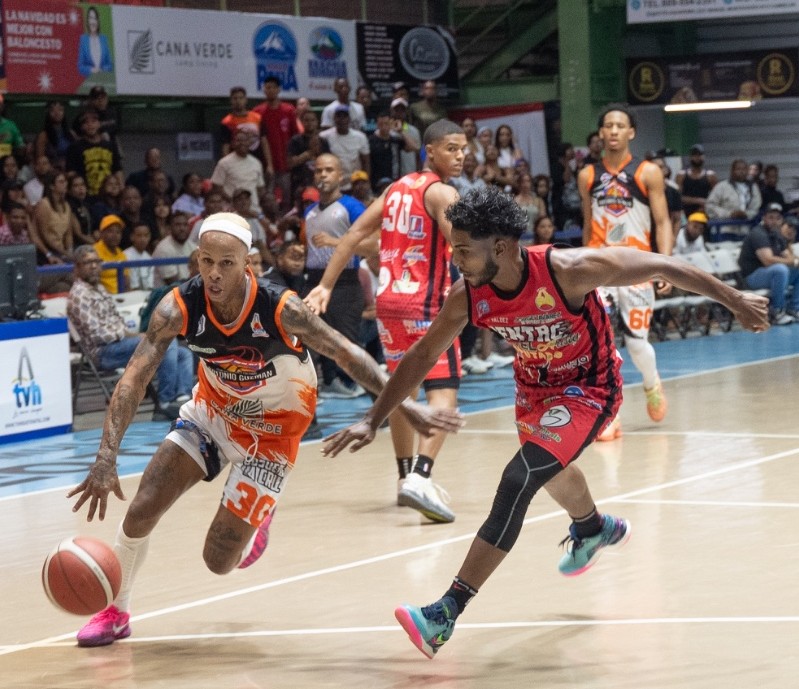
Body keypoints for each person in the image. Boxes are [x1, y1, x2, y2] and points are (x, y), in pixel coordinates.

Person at [320, 186, 770, 660]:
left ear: (501, 247)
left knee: (520, 476)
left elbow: (661, 264)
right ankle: (593, 526)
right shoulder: (469, 295)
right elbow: (421, 354)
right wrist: (374, 418)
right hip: (533, 392)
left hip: (589, 388)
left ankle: (445, 612)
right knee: (549, 469)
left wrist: (734, 298)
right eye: (453, 248)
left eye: (464, 250)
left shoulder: (568, 271)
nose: (456, 259)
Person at [67, 212, 461, 647]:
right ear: (196, 259)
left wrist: (404, 406)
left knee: (218, 561)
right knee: (143, 506)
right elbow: (134, 379)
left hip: (273, 437)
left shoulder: (281, 308)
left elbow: (349, 355)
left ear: (248, 263)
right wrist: (106, 457)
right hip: (212, 414)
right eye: (206, 262)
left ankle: (258, 516)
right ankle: (116, 611)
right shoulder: (176, 307)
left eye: (227, 263)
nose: (214, 274)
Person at [304, 120, 466, 523]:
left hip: (389, 305)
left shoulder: (395, 190)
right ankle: (421, 478)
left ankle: (402, 478)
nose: (460, 155)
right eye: (451, 148)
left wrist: (325, 285)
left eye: (464, 148)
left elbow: (353, 235)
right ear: (429, 151)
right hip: (427, 306)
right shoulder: (443, 193)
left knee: (400, 392)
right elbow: (460, 246)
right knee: (443, 392)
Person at [579, 103, 673, 440]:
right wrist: (579, 269)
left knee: (636, 345)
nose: (614, 131)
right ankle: (609, 414)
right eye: (608, 126)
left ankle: (651, 382)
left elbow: (663, 222)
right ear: (601, 133)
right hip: (599, 268)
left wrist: (665, 264)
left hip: (637, 267)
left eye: (620, 126)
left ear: (631, 132)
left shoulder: (648, 172)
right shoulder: (588, 175)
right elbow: (588, 225)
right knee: (599, 344)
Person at [68, 243, 193, 417]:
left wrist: (138, 336)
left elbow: (117, 323)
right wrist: (133, 337)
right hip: (103, 353)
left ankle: (182, 398)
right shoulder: (79, 295)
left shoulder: (99, 289)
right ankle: (165, 402)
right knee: (165, 341)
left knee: (183, 353)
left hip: (120, 344)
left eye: (97, 261)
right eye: (88, 263)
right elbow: (98, 336)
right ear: (77, 267)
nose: (95, 266)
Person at [304, 154, 368, 398]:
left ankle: (378, 395)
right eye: (319, 170)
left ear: (340, 175)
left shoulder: (351, 207)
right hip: (313, 280)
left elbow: (371, 244)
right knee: (308, 338)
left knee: (348, 344)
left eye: (329, 170)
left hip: (345, 283)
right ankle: (327, 382)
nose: (323, 175)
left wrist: (335, 242)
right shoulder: (309, 211)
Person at [738, 202, 799, 325]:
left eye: (777, 218)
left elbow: (787, 254)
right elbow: (768, 260)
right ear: (764, 218)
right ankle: (777, 312)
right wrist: (791, 261)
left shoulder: (777, 235)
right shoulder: (758, 234)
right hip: (752, 277)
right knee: (781, 269)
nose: (774, 221)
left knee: (792, 269)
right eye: (771, 217)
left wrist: (793, 261)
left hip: (771, 274)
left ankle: (794, 308)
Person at [252, 76, 298, 209]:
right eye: (267, 87)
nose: (270, 90)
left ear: (278, 89)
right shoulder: (257, 112)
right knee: (266, 201)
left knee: (287, 200)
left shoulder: (289, 110)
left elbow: (295, 137)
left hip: (285, 166)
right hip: (266, 167)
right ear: (264, 90)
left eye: (273, 87)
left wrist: (292, 161)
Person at [65, 109, 123, 198]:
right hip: (87, 196)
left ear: (99, 124)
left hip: (109, 196)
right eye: (86, 123)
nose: (90, 125)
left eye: (93, 121)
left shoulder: (110, 145)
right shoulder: (74, 148)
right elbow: (71, 173)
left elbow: (117, 170)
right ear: (81, 127)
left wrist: (121, 189)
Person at [211, 129, 266, 216]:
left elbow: (260, 188)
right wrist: (234, 202)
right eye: (239, 140)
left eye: (245, 140)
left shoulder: (256, 163)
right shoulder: (224, 163)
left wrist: (250, 203)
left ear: (250, 143)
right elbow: (217, 187)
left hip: (253, 210)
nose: (242, 143)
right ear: (233, 143)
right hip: (231, 211)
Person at [706, 158, 761, 239]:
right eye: (738, 169)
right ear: (732, 171)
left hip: (746, 231)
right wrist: (729, 214)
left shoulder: (753, 187)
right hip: (724, 230)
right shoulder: (722, 186)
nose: (741, 172)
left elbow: (755, 208)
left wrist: (746, 214)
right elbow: (709, 206)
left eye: (744, 169)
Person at [319, 106, 370, 191]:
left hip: (355, 184)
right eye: (339, 116)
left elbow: (366, 162)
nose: (341, 119)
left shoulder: (360, 137)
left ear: (349, 119)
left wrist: (366, 182)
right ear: (334, 119)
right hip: (334, 185)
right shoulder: (324, 136)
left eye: (344, 116)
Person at [675, 144, 717, 218]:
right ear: (690, 157)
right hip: (685, 213)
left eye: (699, 155)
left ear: (704, 157)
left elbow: (716, 197)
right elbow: (677, 197)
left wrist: (706, 204)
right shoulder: (681, 175)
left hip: (704, 212)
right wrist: (698, 200)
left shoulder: (710, 175)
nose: (697, 158)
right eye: (695, 155)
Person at [34, 101, 76, 170]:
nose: (57, 113)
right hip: (52, 171)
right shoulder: (43, 136)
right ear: (48, 113)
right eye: (52, 110)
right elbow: (40, 159)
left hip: (70, 170)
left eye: (60, 109)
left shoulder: (71, 133)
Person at [93, 214, 129, 294]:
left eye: (118, 232)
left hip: (121, 298)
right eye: (110, 231)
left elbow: (126, 281)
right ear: (102, 233)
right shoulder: (94, 252)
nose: (115, 235)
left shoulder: (122, 254)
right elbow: (92, 283)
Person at [78, 6, 113, 76]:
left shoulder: (104, 39)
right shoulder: (83, 39)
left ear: (98, 21)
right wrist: (91, 70)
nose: (93, 22)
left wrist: (101, 70)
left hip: (103, 80)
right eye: (91, 18)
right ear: (87, 21)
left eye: (95, 19)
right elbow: (80, 67)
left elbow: (110, 65)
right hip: (89, 81)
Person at [123, 223, 154, 291]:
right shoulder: (125, 255)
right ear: (132, 237)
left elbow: (150, 285)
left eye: (146, 235)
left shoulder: (149, 258)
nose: (143, 239)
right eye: (139, 235)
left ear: (150, 237)